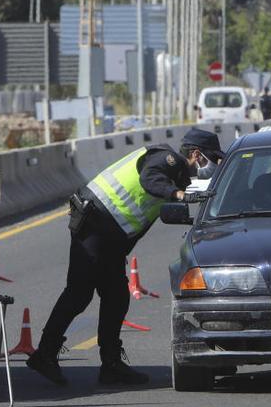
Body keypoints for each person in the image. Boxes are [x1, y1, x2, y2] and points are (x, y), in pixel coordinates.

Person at [26, 128, 224, 387]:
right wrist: (179, 195)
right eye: (212, 158)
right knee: (79, 294)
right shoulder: (167, 160)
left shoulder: (179, 174)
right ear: (196, 154)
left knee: (116, 297)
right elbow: (149, 180)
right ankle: (45, 354)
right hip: (95, 226)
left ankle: (111, 365)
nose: (213, 164)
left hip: (109, 238)